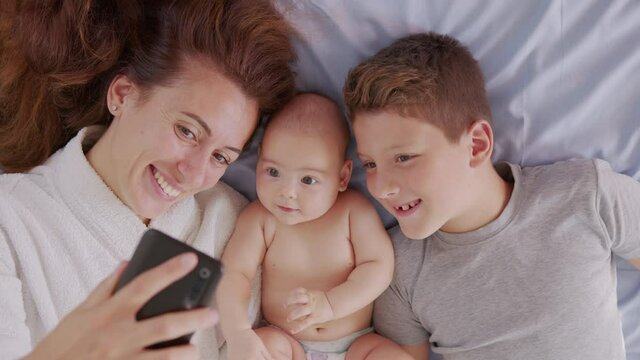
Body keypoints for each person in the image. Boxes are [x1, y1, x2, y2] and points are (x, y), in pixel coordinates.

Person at [0, 1, 295, 359]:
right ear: (122, 94)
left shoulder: (233, 225)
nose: (194, 173)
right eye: (187, 131)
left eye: (221, 157)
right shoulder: (11, 220)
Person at [342, 32, 640, 360]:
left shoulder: (585, 194)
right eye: (369, 163)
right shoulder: (396, 267)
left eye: (403, 157)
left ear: (477, 145)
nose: (381, 187)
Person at [217, 93, 412, 360]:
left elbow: (378, 268)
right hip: (286, 342)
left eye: (308, 180)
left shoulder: (353, 211)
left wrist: (331, 305)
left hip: (357, 344)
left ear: (342, 176)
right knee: (263, 346)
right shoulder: (259, 219)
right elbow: (234, 274)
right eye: (273, 172)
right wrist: (238, 333)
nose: (287, 192)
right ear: (260, 157)